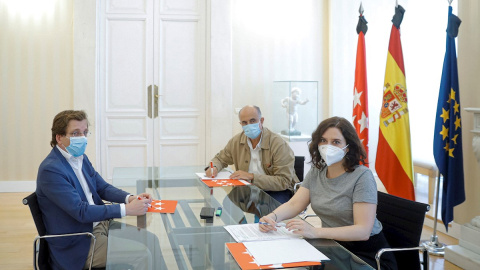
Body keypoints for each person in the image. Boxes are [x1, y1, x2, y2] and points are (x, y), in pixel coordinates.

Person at [259, 116, 398, 270]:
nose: (327, 146)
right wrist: (272, 217)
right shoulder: (317, 172)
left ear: (349, 147)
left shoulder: (362, 177)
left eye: (336, 142)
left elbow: (363, 231)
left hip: (366, 256)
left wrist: (314, 231)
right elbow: (294, 203)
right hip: (332, 246)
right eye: (323, 140)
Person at [36, 110, 156, 270]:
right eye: (75, 133)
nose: (82, 138)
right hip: (79, 242)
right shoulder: (51, 170)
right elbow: (81, 212)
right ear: (59, 138)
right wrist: (126, 209)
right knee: (143, 254)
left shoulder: (81, 158)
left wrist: (130, 198)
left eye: (85, 132)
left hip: (100, 226)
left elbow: (102, 187)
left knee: (152, 240)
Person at [205, 105, 299, 204]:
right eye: (244, 122)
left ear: (261, 121)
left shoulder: (278, 144)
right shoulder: (236, 141)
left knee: (266, 211)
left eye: (253, 121)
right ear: (240, 124)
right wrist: (214, 167)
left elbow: (283, 181)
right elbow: (220, 159)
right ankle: (244, 220)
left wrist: (251, 177)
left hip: (277, 191)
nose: (249, 125)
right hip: (248, 189)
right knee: (228, 205)